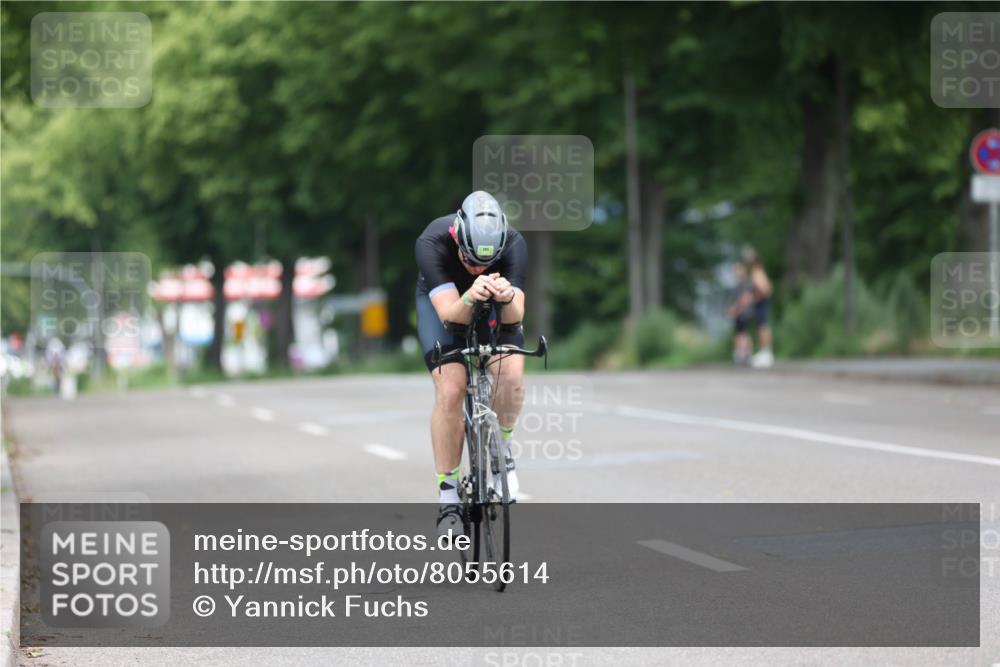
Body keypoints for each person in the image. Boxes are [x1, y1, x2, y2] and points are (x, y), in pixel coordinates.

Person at [414, 191, 528, 538]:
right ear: (457, 237)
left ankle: (501, 450)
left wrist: (506, 295)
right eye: (470, 260)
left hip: (493, 301)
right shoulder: (432, 241)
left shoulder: (513, 244)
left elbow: (516, 316)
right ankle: (448, 495)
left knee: (509, 376)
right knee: (450, 390)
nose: (478, 268)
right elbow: (450, 316)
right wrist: (470, 292)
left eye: (486, 262)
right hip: (447, 302)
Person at [728, 246, 774, 368]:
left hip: (761, 303)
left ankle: (766, 352)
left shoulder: (757, 272)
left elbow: (766, 290)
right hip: (758, 304)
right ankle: (763, 352)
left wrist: (755, 297)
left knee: (763, 326)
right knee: (760, 327)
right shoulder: (755, 273)